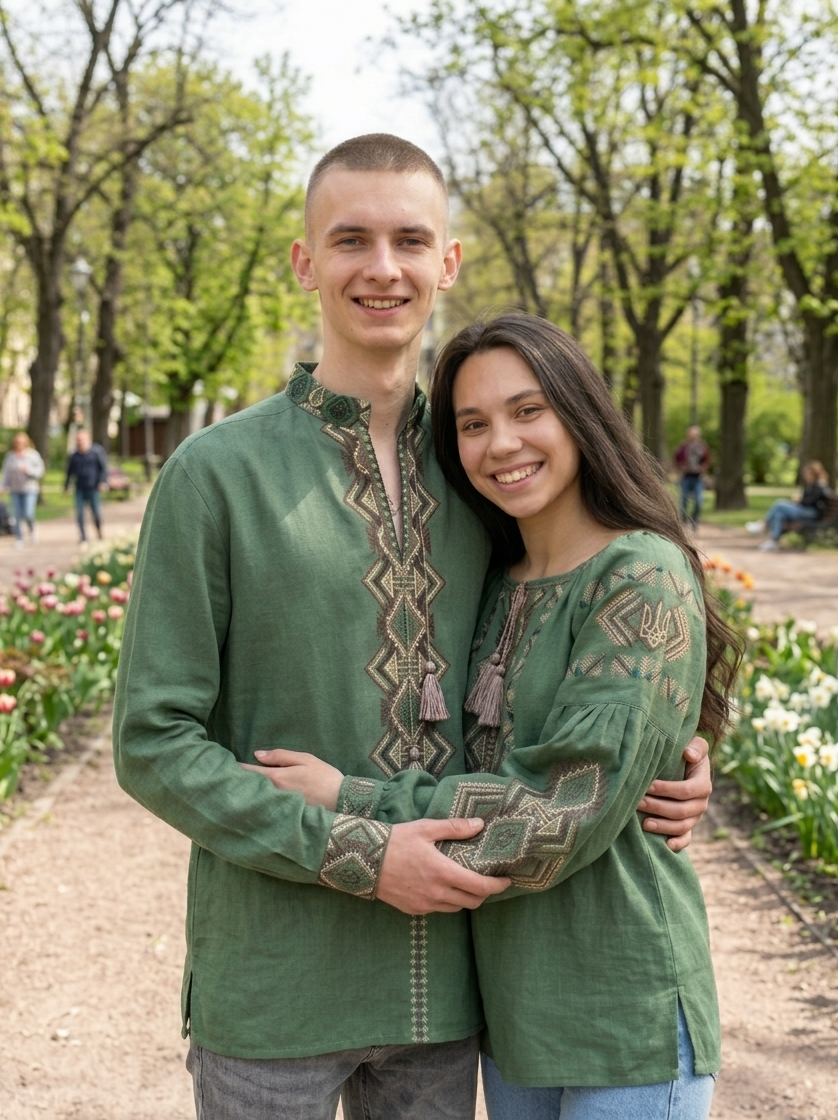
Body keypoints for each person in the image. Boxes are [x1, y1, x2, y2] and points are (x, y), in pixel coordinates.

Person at [114, 136, 713, 1120]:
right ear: (306, 262)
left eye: (409, 239)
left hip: (455, 999)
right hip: (274, 992)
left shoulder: (485, 466)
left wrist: (676, 751)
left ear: (449, 260)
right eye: (350, 239)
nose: (382, 268)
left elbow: (586, 625)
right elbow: (151, 742)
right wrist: (353, 849)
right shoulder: (214, 474)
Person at [257, 315, 739, 1118]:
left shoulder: (639, 577)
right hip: (512, 1022)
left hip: (625, 1011)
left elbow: (556, 818)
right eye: (472, 425)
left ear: (579, 413)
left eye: (528, 411)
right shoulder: (491, 578)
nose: (501, 444)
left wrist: (350, 800)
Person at [745, 461, 832, 551]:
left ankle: (763, 524)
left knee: (780, 504)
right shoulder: (812, 485)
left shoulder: (820, 486)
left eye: (808, 473)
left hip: (811, 513)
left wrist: (798, 501)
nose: (806, 476)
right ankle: (774, 541)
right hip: (805, 510)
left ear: (814, 473)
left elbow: (810, 502)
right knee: (779, 514)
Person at [0, 431, 45, 548]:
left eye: (21, 443)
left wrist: (28, 470)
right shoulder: (10, 457)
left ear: (25, 443)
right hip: (15, 489)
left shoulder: (32, 455)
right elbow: (6, 474)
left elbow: (40, 471)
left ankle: (32, 529)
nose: (18, 445)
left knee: (28, 513)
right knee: (17, 515)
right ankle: (19, 538)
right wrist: (2, 487)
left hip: (29, 489)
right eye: (17, 443)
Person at [64, 429, 108, 542]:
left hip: (93, 487)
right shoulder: (74, 455)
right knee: (79, 513)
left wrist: (103, 481)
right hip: (80, 487)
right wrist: (66, 485)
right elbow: (69, 471)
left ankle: (99, 531)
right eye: (78, 440)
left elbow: (103, 468)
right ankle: (83, 536)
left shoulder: (96, 452)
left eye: (82, 439)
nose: (80, 442)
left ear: (88, 439)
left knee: (96, 513)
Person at [673, 425, 711, 529]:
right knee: (684, 500)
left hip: (698, 478)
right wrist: (681, 467)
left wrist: (702, 468)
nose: (693, 436)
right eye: (691, 434)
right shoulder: (683, 447)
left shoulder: (702, 447)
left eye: (695, 435)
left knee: (699, 501)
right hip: (686, 477)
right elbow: (676, 460)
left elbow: (707, 460)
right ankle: (683, 522)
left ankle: (694, 521)